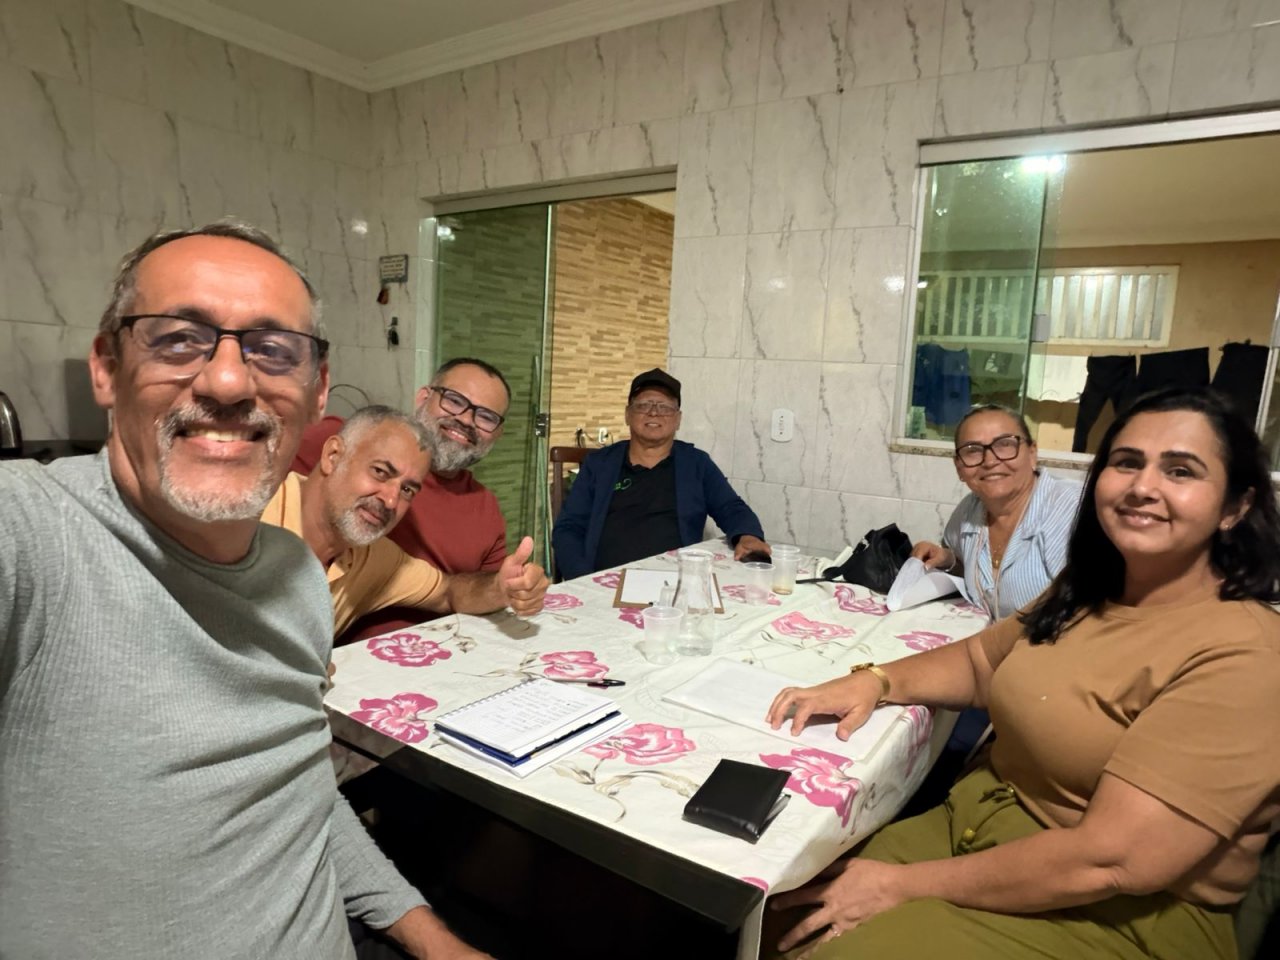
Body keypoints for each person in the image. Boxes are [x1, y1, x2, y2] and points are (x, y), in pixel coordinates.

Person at [0, 221, 489, 960]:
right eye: (177, 339)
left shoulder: (296, 578)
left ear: (315, 391)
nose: (228, 381)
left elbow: (296, 796)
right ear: (106, 368)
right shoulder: (35, 533)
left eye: (273, 350)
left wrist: (433, 941)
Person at [765, 386, 1280, 960]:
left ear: (1235, 507)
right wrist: (876, 680)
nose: (1143, 486)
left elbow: (1112, 859)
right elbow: (982, 661)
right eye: (1127, 462)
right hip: (977, 821)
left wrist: (899, 886)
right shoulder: (1087, 589)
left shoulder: (1247, 653)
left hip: (1119, 911)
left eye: (1180, 471)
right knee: (775, 908)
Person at [265, 404, 548, 636]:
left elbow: (447, 592)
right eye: (380, 472)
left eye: (407, 490)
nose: (391, 500)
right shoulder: (251, 521)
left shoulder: (373, 559)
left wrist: (500, 587)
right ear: (333, 455)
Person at [294, 359, 511, 640]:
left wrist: (510, 586)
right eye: (455, 401)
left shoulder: (383, 560)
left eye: (486, 417)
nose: (390, 499)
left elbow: (450, 591)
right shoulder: (346, 442)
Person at [552, 367, 768, 579]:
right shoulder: (599, 464)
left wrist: (748, 535)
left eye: (664, 407)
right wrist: (584, 579)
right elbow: (568, 528)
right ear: (627, 415)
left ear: (678, 419)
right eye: (643, 405)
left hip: (676, 581)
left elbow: (730, 507)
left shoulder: (696, 463)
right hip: (606, 581)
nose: (654, 412)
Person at [911, 404, 1083, 621]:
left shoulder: (1074, 510)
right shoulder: (969, 510)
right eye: (973, 450)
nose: (990, 461)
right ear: (959, 467)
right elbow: (978, 577)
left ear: (1032, 453)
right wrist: (947, 559)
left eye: (1005, 444)